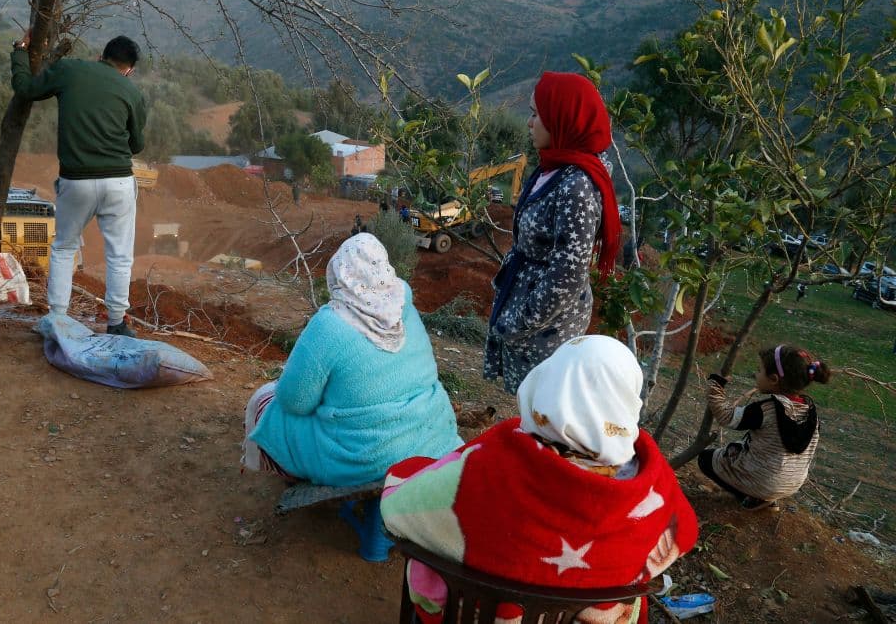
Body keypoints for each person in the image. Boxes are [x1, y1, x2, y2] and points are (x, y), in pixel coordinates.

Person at [382, 335, 698, 624]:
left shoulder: (487, 464)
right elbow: (685, 533)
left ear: (547, 384)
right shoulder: (655, 486)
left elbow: (399, 510)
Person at [242, 233, 462, 486]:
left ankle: (291, 474)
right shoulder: (404, 305)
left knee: (264, 402)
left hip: (369, 459)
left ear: (341, 273)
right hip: (433, 437)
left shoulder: (330, 325)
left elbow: (294, 402)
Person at [484, 72, 621, 393]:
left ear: (562, 119)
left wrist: (519, 321)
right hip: (528, 318)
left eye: (536, 114)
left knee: (543, 412)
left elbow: (568, 275)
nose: (529, 123)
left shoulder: (577, 187)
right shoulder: (555, 167)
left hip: (546, 332)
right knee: (529, 410)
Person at [11, 34, 147, 337]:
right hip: (118, 181)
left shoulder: (70, 70)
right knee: (120, 254)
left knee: (63, 248)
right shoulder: (131, 91)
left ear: (102, 55)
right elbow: (137, 144)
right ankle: (116, 322)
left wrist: (20, 53)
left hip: (77, 180)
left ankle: (58, 318)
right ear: (129, 69)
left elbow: (26, 88)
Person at [699, 344, 826, 510]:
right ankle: (765, 497)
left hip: (763, 481)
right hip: (793, 483)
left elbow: (726, 416)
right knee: (744, 451)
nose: (755, 374)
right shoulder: (811, 411)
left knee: (706, 459)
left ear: (773, 379)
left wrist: (715, 387)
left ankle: (750, 497)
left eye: (759, 370)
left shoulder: (766, 409)